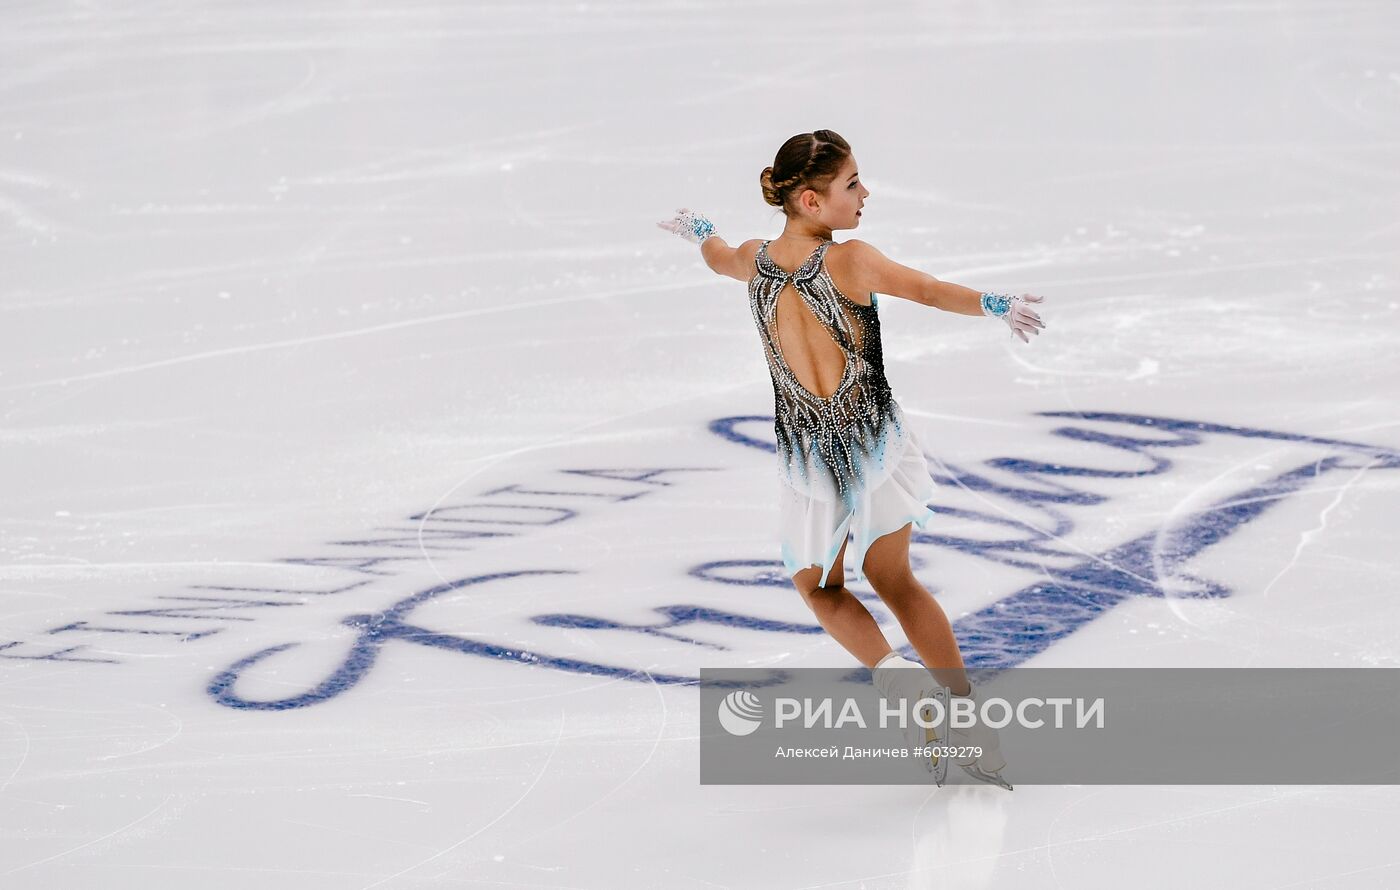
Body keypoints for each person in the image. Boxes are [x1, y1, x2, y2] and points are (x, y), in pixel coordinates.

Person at [658, 130, 1045, 789]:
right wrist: (994, 304)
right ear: (810, 200)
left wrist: (701, 228)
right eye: (852, 184)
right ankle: (964, 715)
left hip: (808, 454)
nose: (865, 193)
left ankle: (898, 680)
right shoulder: (852, 261)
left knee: (820, 587)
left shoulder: (756, 260)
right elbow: (924, 289)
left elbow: (718, 256)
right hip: (873, 442)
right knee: (894, 578)